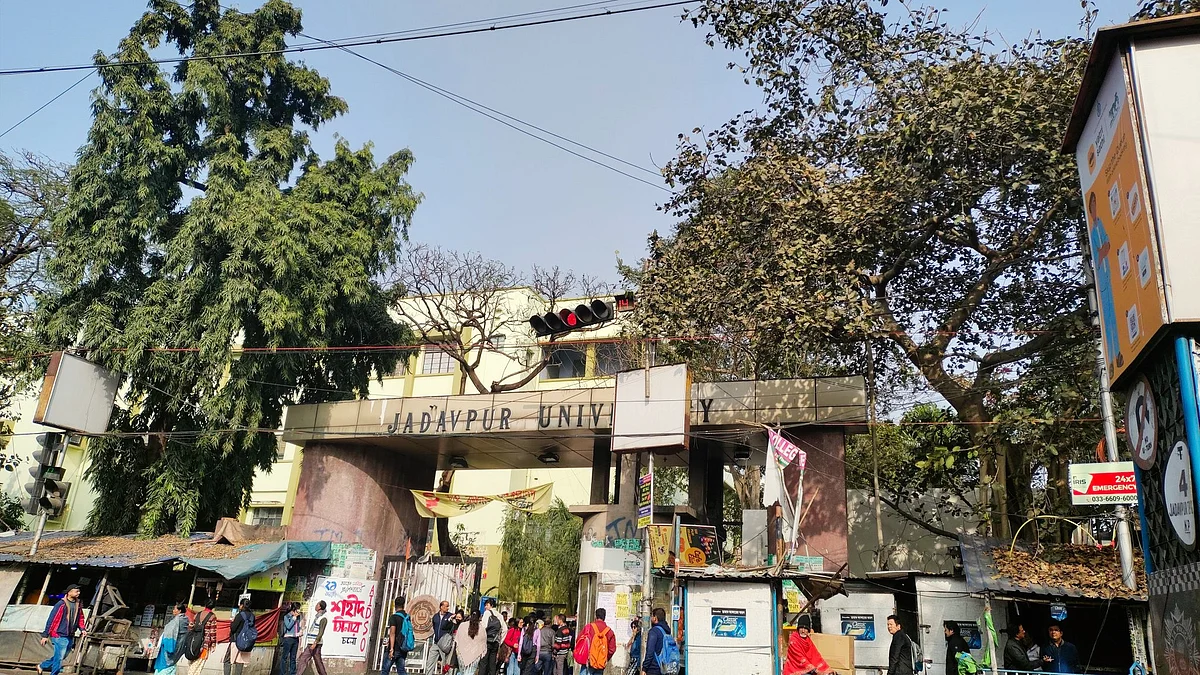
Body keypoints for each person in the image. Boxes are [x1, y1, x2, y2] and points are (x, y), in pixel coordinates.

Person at [38, 584, 87, 675]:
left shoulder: (78, 604)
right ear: (69, 592)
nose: (78, 593)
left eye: (78, 591)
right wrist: (45, 635)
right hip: (59, 634)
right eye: (76, 591)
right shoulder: (61, 604)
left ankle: (42, 666)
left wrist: (82, 629)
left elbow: (80, 617)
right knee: (59, 658)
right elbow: (52, 619)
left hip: (70, 634)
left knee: (61, 656)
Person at [154, 602, 190, 675]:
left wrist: (168, 646)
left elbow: (171, 633)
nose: (173, 610)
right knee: (172, 664)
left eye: (175, 609)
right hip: (179, 646)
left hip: (171, 646)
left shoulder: (177, 621)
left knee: (165, 664)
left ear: (179, 611)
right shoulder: (185, 620)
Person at [577, 608, 616, 675]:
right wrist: (604, 658)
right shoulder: (609, 631)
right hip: (600, 663)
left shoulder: (589, 627)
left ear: (596, 616)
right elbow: (612, 649)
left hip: (588, 662)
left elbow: (579, 640)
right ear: (604, 617)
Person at [297, 600, 329, 675]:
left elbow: (321, 632)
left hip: (315, 643)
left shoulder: (323, 618)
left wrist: (315, 643)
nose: (316, 605)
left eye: (317, 604)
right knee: (315, 662)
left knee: (304, 659)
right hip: (312, 642)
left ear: (320, 607)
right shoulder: (318, 616)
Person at [225, 598, 255, 675]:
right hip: (247, 642)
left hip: (236, 641)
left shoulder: (239, 615)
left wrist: (232, 622)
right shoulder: (252, 616)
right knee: (240, 661)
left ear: (242, 606)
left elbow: (233, 628)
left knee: (227, 660)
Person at [189, 599, 220, 675]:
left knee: (192, 663)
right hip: (204, 645)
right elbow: (212, 632)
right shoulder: (212, 616)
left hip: (193, 643)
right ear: (213, 607)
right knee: (198, 666)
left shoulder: (197, 615)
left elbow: (191, 627)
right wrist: (213, 645)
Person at [382, 597, 411, 675]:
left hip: (395, 647)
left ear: (395, 605)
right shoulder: (407, 617)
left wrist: (391, 649)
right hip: (403, 647)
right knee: (401, 670)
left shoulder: (394, 617)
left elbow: (392, 633)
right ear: (403, 605)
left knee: (385, 670)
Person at [457, 610, 490, 675]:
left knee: (461, 672)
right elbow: (483, 643)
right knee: (470, 673)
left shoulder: (462, 625)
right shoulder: (482, 628)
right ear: (480, 617)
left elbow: (457, 640)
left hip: (461, 654)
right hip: (475, 655)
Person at [643, 608, 669, 675]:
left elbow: (650, 652)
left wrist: (644, 668)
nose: (651, 618)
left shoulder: (654, 631)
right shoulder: (667, 631)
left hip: (653, 668)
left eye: (652, 616)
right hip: (664, 668)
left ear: (655, 618)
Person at [482, 598, 505, 675]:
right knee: (492, 663)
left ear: (491, 605)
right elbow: (505, 629)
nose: (485, 607)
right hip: (495, 642)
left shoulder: (487, 613)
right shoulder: (500, 615)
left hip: (487, 641)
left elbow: (484, 626)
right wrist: (500, 641)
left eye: (487, 605)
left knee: (483, 662)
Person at [279, 603, 303, 675]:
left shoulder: (298, 617)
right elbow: (288, 626)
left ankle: (292, 673)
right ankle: (282, 673)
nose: (299, 611)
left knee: (293, 658)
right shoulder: (287, 616)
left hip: (295, 639)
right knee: (285, 657)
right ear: (294, 609)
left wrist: (300, 631)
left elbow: (297, 627)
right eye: (298, 609)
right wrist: (294, 618)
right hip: (288, 639)